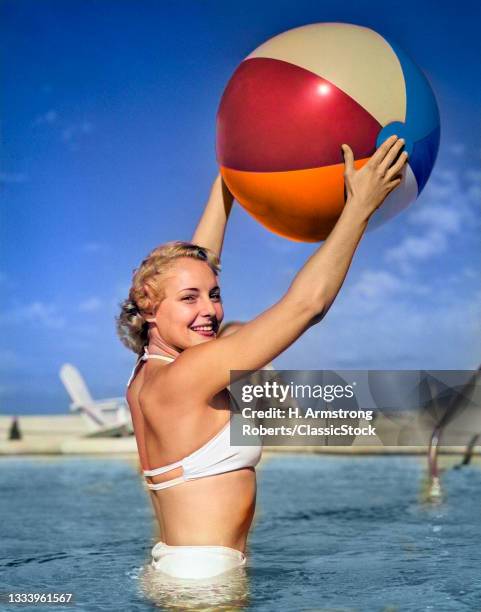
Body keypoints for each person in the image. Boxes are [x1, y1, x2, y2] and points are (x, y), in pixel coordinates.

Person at [116, 136, 408, 580]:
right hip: (204, 583)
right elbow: (306, 305)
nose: (209, 310)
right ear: (150, 308)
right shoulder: (189, 375)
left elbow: (197, 264)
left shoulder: (147, 373)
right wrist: (359, 207)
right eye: (190, 299)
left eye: (214, 295)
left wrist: (231, 180)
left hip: (179, 568)